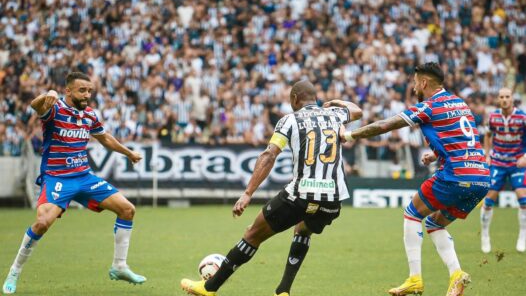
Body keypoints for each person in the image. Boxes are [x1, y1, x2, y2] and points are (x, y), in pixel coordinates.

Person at [180, 80, 362, 296]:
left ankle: (209, 288)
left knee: (253, 234)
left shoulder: (289, 120)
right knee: (303, 228)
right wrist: (336, 102)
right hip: (333, 199)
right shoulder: (335, 114)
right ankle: (283, 290)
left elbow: (269, 155)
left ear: (294, 99)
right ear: (316, 99)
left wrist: (248, 193)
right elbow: (357, 111)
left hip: (301, 193)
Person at [342, 62, 490, 296]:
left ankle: (414, 279)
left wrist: (349, 134)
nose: (412, 87)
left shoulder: (428, 106)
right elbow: (464, 138)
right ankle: (456, 275)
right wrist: (436, 153)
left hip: (455, 176)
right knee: (434, 223)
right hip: (481, 178)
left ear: (423, 83)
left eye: (414, 82)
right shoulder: (460, 103)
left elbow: (385, 125)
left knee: (412, 213)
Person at [2, 72, 146, 294]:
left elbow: (105, 137)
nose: (87, 94)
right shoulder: (55, 109)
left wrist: (128, 153)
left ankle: (119, 266)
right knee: (41, 223)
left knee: (127, 209)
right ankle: (14, 271)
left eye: (89, 90)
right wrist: (48, 94)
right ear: (68, 91)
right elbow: (35, 106)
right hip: (57, 178)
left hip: (84, 177)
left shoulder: (89, 114)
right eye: (82, 90)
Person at [480, 88, 526, 253]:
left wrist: (525, 156)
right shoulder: (493, 117)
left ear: (512, 98)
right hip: (498, 162)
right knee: (489, 199)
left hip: (517, 163)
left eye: (507, 96)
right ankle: (485, 235)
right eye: (502, 97)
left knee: (523, 199)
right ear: (498, 100)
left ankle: (523, 234)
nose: (505, 99)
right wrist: (487, 155)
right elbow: (487, 135)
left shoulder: (522, 117)